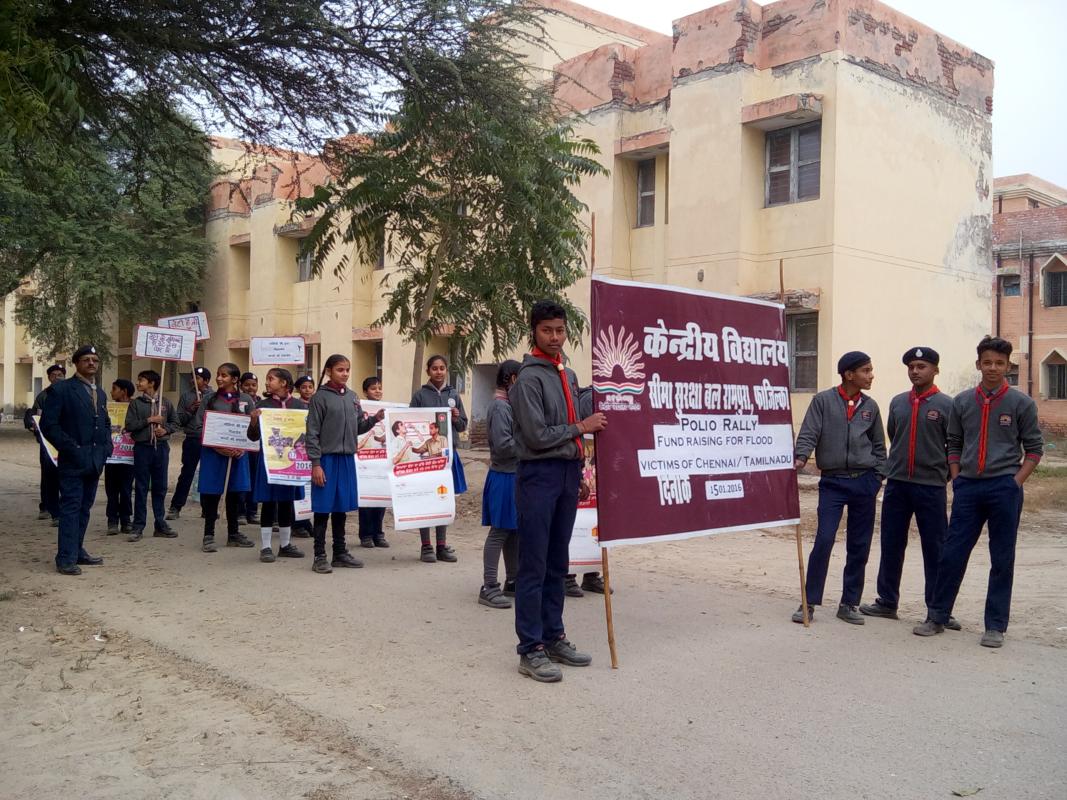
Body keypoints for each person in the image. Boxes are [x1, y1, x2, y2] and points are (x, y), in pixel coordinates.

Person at [914, 336, 1043, 648]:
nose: (993, 369)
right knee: (952, 553)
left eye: (1000, 363)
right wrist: (957, 479)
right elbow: (954, 444)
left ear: (1008, 366)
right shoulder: (961, 402)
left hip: (1004, 488)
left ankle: (995, 626)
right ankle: (937, 615)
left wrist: (1015, 483)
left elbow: (1035, 450)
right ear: (978, 365)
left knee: (1002, 558)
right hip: (968, 488)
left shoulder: (1021, 403)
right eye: (988, 362)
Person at [510, 300, 607, 682]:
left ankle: (554, 636)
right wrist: (580, 429)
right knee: (533, 565)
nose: (555, 337)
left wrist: (578, 469)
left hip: (567, 474)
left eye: (560, 330)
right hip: (538, 475)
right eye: (547, 330)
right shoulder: (527, 379)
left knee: (558, 562)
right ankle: (530, 648)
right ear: (533, 331)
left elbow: (567, 427)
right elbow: (535, 436)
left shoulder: (567, 375)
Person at [859, 348, 959, 630]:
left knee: (935, 548)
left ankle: (938, 610)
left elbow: (954, 444)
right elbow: (894, 434)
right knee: (891, 543)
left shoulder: (947, 405)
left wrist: (945, 476)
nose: (915, 371)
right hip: (898, 484)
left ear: (935, 370)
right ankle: (887, 602)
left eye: (922, 366)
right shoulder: (898, 403)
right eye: (912, 366)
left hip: (931, 487)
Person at [792, 351, 886, 625]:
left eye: (871, 370)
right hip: (833, 483)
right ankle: (809, 602)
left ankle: (849, 603)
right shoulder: (823, 401)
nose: (871, 376)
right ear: (849, 374)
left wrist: (877, 476)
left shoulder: (871, 406)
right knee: (823, 539)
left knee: (859, 544)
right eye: (866, 371)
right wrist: (801, 456)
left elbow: (879, 445)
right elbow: (809, 431)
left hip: (864, 482)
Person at [306, 353, 383, 574]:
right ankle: (319, 556)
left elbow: (358, 427)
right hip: (326, 460)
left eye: (348, 369)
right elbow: (311, 433)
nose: (345, 373)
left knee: (341, 507)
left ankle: (339, 552)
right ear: (329, 371)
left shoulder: (352, 397)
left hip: (347, 459)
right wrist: (316, 464)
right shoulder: (319, 398)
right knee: (323, 509)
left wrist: (374, 419)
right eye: (340, 369)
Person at [40, 345, 112, 575]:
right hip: (72, 459)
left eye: (95, 360)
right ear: (77, 363)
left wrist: (106, 446)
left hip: (94, 460)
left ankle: (77, 550)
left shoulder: (99, 392)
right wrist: (71, 447)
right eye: (86, 360)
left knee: (85, 507)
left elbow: (105, 422)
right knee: (70, 507)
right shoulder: (62, 390)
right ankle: (65, 557)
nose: (91, 363)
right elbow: (48, 426)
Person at [409, 354, 467, 563]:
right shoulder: (419, 396)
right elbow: (411, 426)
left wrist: (456, 417)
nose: (439, 372)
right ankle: (426, 546)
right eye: (435, 368)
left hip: (447, 455)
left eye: (442, 368)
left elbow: (463, 426)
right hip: (426, 458)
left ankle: (442, 546)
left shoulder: (454, 395)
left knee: (443, 498)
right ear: (428, 371)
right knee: (426, 498)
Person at [247, 368, 306, 563]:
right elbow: (252, 436)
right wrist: (254, 421)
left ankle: (285, 544)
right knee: (269, 502)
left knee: (287, 502)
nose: (267, 382)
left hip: (290, 462)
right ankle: (265, 547)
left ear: (284, 383)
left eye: (271, 379)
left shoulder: (299, 406)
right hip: (269, 461)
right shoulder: (262, 405)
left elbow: (307, 433)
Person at [195, 363, 256, 552]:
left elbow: (254, 430)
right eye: (218, 375)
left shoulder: (247, 400)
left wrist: (243, 447)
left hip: (238, 455)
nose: (219, 378)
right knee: (212, 493)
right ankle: (209, 534)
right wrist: (218, 447)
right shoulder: (209, 400)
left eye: (224, 375)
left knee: (235, 493)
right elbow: (198, 426)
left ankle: (233, 534)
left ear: (235, 379)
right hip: (214, 454)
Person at [479, 360, 521, 609]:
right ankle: (489, 585)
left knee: (513, 530)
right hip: (504, 475)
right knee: (499, 532)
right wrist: (531, 444)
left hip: (513, 475)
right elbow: (504, 445)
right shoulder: (500, 407)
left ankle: (513, 579)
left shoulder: (509, 406)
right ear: (512, 379)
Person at [564, 384, 610, 598]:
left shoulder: (613, 392)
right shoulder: (587, 396)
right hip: (582, 462)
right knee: (576, 520)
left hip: (603, 466)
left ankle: (591, 575)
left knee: (598, 522)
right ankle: (568, 575)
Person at [124, 369, 179, 542]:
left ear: (152, 383)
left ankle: (160, 523)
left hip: (161, 448)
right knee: (140, 487)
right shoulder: (136, 404)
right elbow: (130, 425)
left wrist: (165, 429)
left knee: (160, 486)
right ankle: (138, 525)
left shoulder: (166, 403)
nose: (138, 383)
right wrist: (148, 420)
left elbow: (175, 423)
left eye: (141, 380)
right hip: (142, 448)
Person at [167, 366, 213, 520]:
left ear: (206, 381)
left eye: (198, 378)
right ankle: (176, 507)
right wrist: (190, 410)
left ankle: (208, 509)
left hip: (208, 440)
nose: (194, 380)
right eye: (193, 377)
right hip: (192, 439)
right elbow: (179, 420)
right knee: (187, 473)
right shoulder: (186, 396)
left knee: (208, 474)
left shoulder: (213, 397)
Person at [25, 363, 65, 525]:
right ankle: (48, 507)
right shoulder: (43, 396)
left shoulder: (70, 393)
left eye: (60, 374)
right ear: (49, 377)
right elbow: (33, 415)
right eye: (54, 375)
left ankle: (63, 508)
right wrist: (33, 424)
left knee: (65, 475)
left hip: (66, 443)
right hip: (47, 443)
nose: (57, 377)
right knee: (48, 475)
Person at [357, 376, 389, 549]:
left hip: (383, 459)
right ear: (365, 392)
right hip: (365, 459)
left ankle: (379, 533)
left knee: (381, 497)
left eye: (379, 388)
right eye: (373, 388)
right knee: (367, 499)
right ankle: (365, 535)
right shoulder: (359, 409)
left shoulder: (388, 410)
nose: (377, 391)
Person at [104, 379, 136, 535]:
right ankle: (112, 520)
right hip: (111, 456)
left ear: (124, 391)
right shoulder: (107, 408)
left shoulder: (136, 407)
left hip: (129, 456)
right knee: (111, 490)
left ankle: (126, 520)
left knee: (126, 489)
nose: (112, 392)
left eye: (114, 388)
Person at [290, 375, 317, 538]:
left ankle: (307, 520)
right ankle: (298, 523)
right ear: (298, 389)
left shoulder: (317, 403)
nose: (307, 390)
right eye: (304, 387)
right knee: (298, 488)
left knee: (310, 489)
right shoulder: (295, 406)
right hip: (299, 449)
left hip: (313, 450)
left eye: (310, 387)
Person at [240, 371, 261, 525]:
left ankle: (252, 511)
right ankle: (240, 512)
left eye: (253, 385)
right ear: (241, 386)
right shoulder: (237, 401)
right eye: (247, 385)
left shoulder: (262, 402)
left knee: (254, 478)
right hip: (241, 444)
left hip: (257, 446)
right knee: (242, 478)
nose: (250, 388)